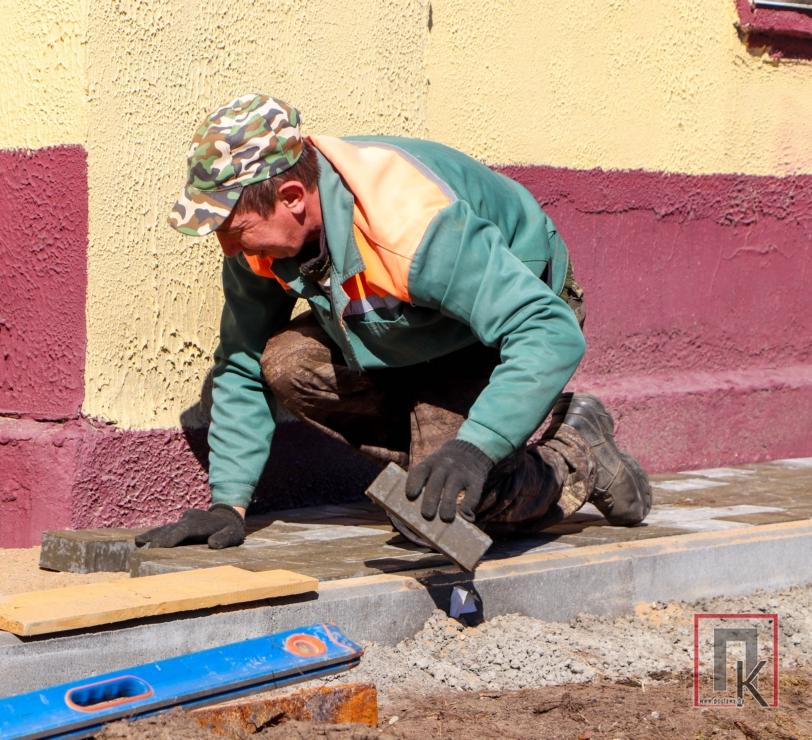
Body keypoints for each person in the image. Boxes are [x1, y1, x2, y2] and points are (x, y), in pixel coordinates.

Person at [136, 94, 651, 552]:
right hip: (410, 331)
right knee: (288, 361)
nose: (228, 248)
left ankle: (577, 454)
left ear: (292, 197)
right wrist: (228, 504)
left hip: (493, 329)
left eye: (235, 228)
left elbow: (548, 328)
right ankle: (442, 452)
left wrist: (477, 447)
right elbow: (241, 362)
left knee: (439, 514)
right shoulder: (261, 247)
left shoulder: (409, 225)